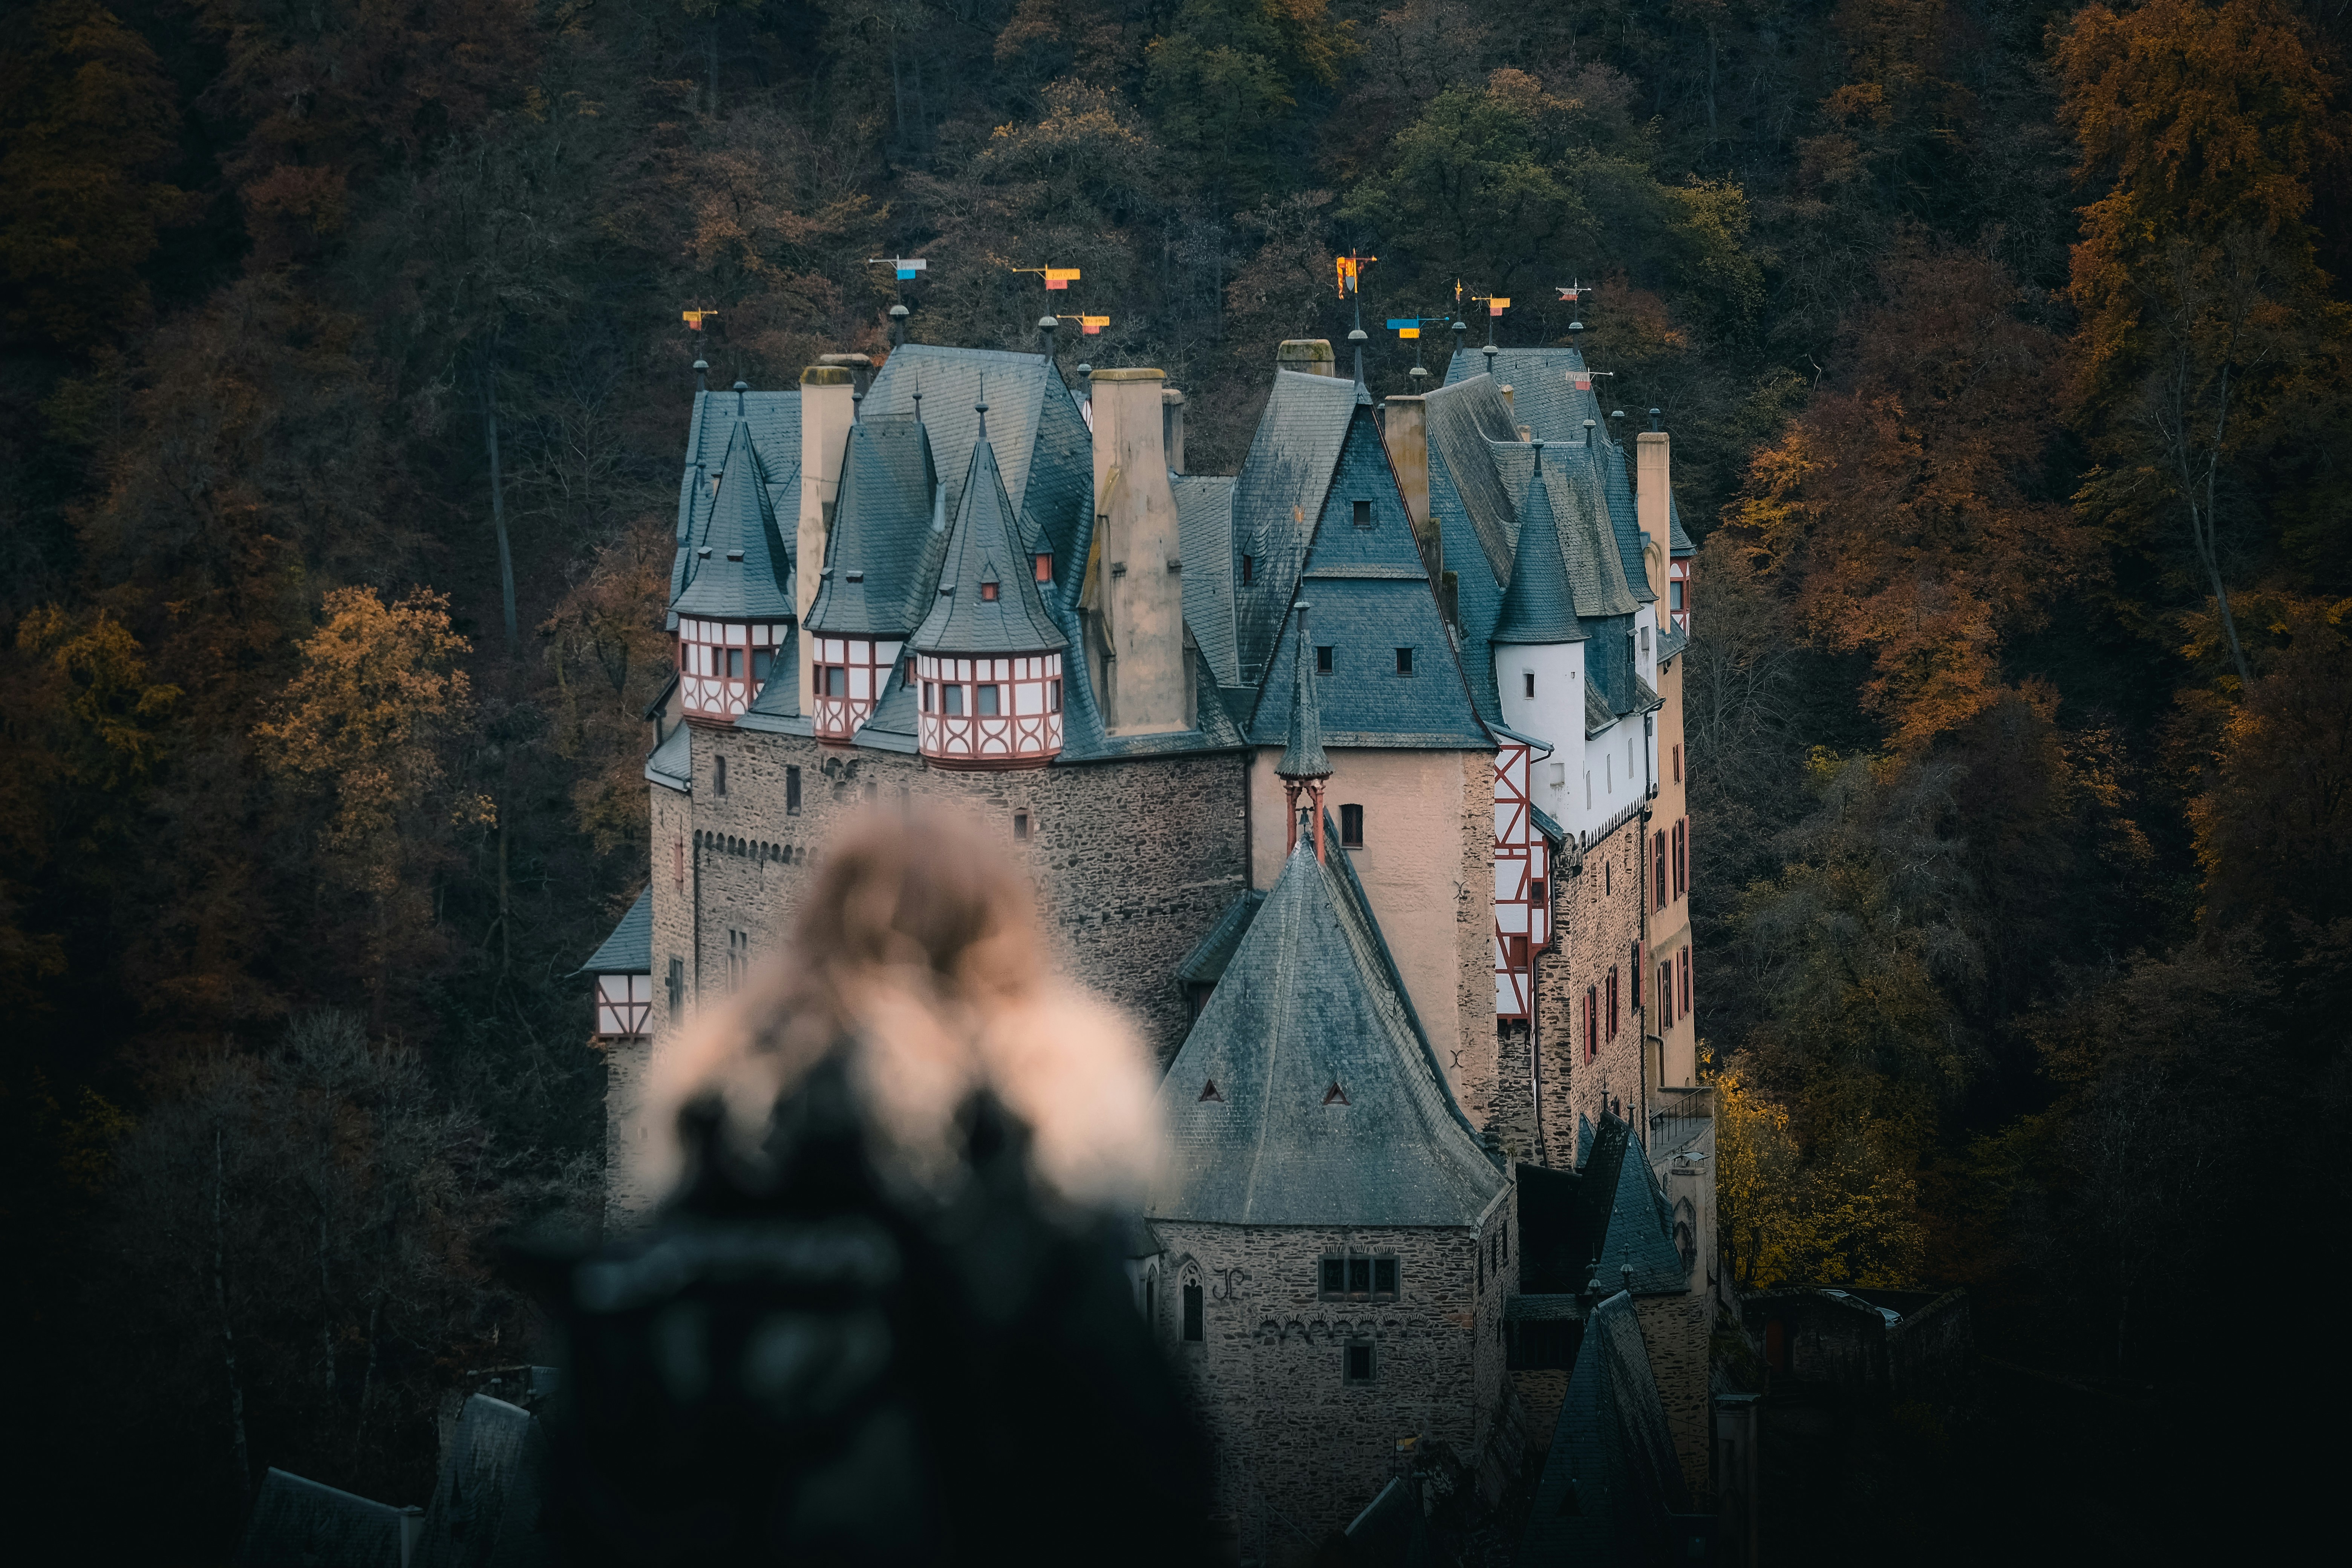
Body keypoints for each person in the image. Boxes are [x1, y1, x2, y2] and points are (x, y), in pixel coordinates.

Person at [531, 809, 1213, 1565]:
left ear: (801, 958)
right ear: (1012, 980)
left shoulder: (649, 1281)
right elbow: (1162, 1509)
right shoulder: (1036, 1257)